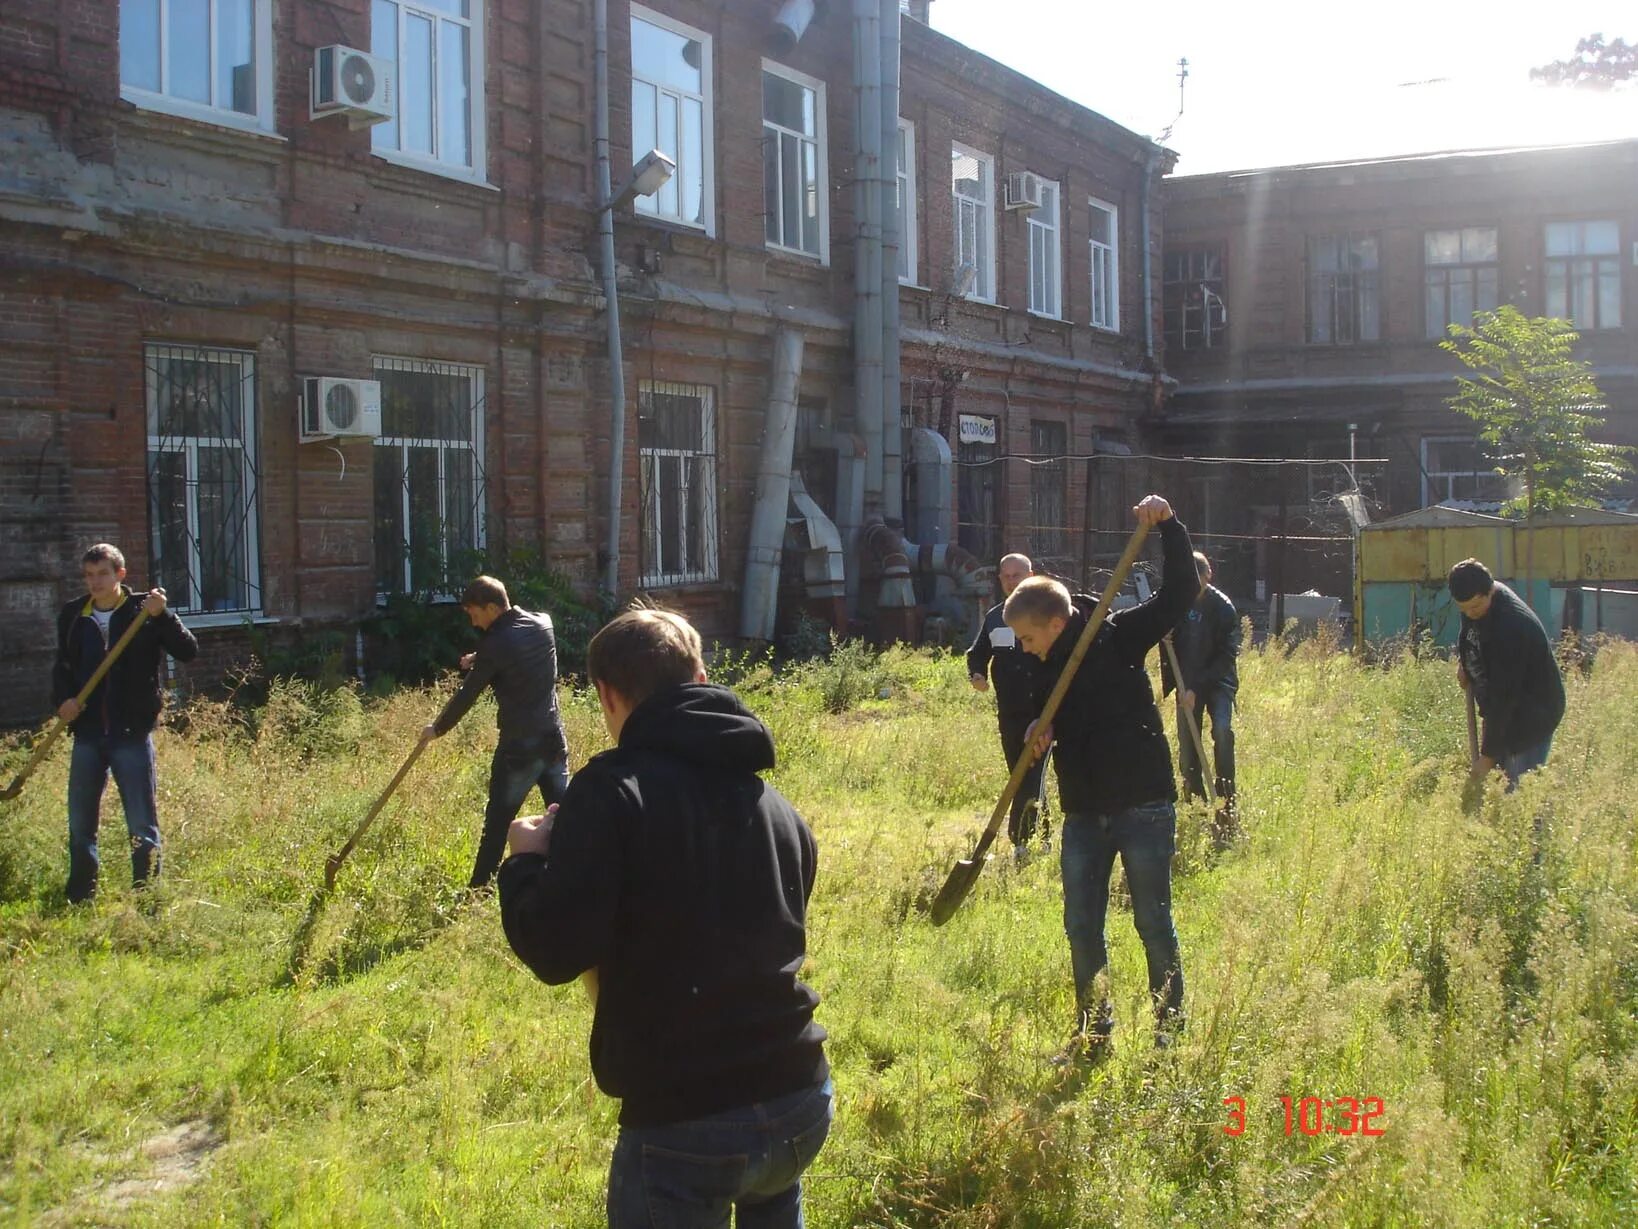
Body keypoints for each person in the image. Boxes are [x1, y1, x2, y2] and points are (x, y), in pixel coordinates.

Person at [498, 608, 831, 1227]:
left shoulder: (611, 791)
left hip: (686, 1116)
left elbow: (555, 949)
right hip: (798, 1097)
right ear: (701, 674)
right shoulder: (776, 805)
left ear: (606, 693)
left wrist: (525, 863)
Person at [1004, 495, 1199, 1056]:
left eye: (1030, 638)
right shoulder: (1042, 666)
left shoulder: (1118, 637)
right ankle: (1094, 1033)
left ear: (1057, 622)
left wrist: (1170, 527)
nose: (1025, 649)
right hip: (1084, 812)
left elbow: (1178, 595)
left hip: (1142, 805)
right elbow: (1045, 718)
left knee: (1152, 924)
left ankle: (1169, 1034)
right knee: (1081, 926)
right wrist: (1038, 728)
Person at [52, 543, 198, 902]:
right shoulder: (74, 615)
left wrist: (163, 615)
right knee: (81, 824)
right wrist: (63, 702)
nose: (95, 582)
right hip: (87, 734)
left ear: (120, 574)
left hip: (130, 733)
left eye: (102, 573)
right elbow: (63, 666)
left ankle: (146, 897)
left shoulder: (141, 611)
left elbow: (188, 651)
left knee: (141, 825)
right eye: (89, 575)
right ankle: (80, 896)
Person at [423, 576, 569, 889]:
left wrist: (436, 729)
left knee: (498, 825)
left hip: (520, 749)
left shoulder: (495, 645)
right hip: (553, 740)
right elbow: (513, 646)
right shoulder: (544, 624)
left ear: (491, 608)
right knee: (567, 819)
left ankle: (478, 891)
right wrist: (480, 657)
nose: (474, 623)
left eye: (475, 614)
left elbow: (467, 694)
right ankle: (580, 875)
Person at [1450, 558, 1565, 788]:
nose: (1470, 613)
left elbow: (1503, 700)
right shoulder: (1476, 601)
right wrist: (1466, 662)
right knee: (1498, 787)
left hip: (1531, 715)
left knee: (1518, 790)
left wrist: (1487, 757)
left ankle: (1531, 823)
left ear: (1490, 590)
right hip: (1504, 706)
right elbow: (1469, 631)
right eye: (1464, 609)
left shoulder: (1511, 627)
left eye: (1475, 607)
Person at [967, 552, 1049, 856]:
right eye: (1006, 576)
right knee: (1020, 772)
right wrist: (976, 674)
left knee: (1030, 773)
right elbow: (977, 653)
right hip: (1009, 713)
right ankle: (1044, 834)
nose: (1011, 581)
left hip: (1044, 712)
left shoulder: (1046, 614)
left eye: (1016, 575)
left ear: (1030, 576)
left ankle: (1021, 842)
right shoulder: (994, 618)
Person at [1159, 551, 1241, 809]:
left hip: (1218, 682)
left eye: (1198, 580)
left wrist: (1197, 686)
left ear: (1209, 575)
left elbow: (1226, 656)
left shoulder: (1223, 608)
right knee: (1187, 746)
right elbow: (1154, 619)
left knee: (1222, 730)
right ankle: (1195, 801)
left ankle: (1226, 797)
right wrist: (1162, 629)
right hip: (1186, 684)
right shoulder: (1177, 602)